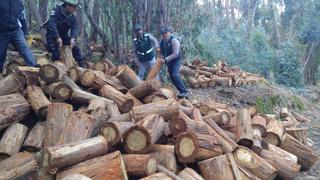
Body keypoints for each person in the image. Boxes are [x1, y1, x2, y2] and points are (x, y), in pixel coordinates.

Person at [0, 0, 37, 73]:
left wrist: (25, 33)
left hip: (16, 31)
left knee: (25, 48)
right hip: (2, 32)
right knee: (1, 53)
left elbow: (22, 18)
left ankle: (33, 68)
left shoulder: (19, 3)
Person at [45, 0, 85, 67]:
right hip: (52, 36)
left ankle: (82, 67)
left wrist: (73, 38)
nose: (75, 9)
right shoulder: (56, 11)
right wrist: (57, 37)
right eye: (73, 7)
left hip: (64, 36)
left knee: (76, 50)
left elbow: (75, 28)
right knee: (56, 55)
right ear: (67, 6)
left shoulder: (72, 16)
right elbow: (52, 25)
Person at [160, 26, 188, 98]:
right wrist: (161, 58)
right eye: (163, 34)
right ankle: (181, 91)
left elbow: (175, 54)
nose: (164, 35)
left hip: (176, 60)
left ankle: (184, 92)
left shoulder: (174, 41)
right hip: (169, 62)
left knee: (175, 75)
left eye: (166, 33)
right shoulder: (162, 42)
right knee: (172, 78)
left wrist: (165, 59)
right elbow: (162, 53)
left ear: (169, 33)